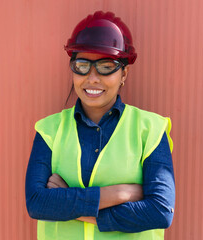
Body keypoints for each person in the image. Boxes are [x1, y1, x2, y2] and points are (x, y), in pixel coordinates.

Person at [25, 10, 175, 240]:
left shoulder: (150, 129)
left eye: (106, 66)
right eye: (82, 65)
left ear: (124, 73)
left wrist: (72, 206)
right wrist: (121, 193)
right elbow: (37, 203)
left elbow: (160, 212)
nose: (92, 78)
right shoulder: (49, 130)